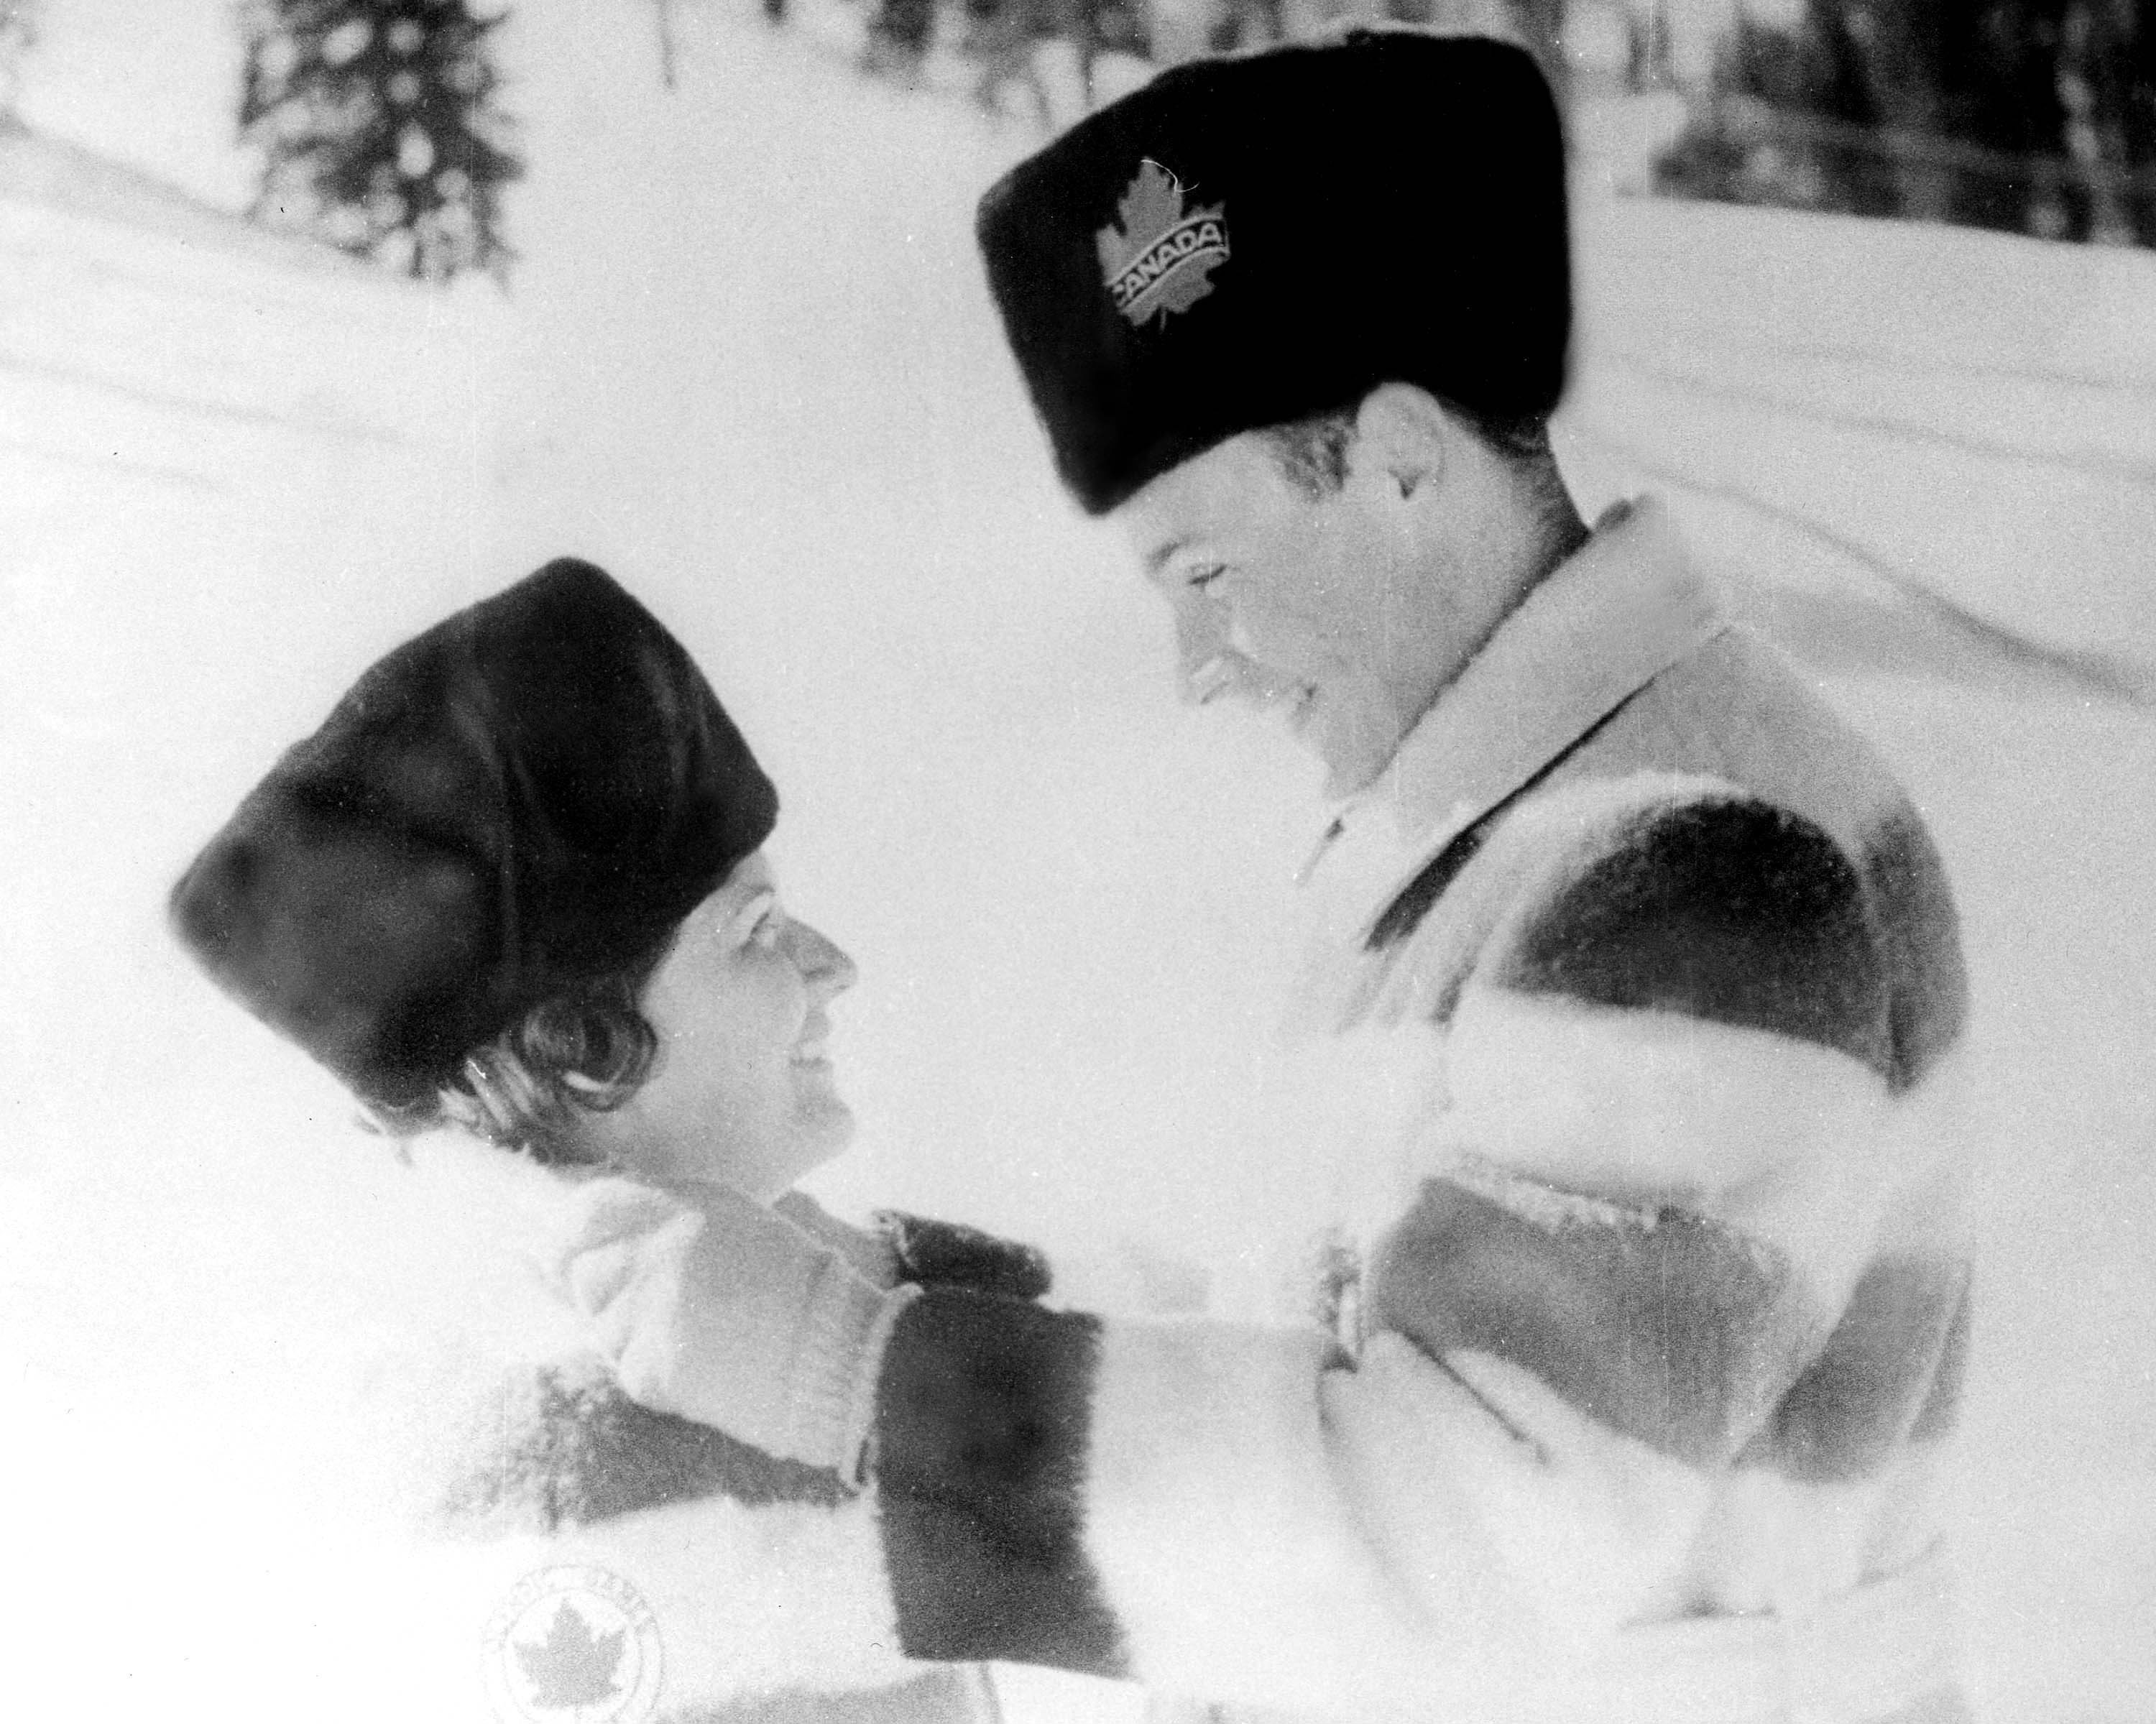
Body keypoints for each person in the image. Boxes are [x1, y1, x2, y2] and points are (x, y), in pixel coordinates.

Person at [425, 29, 1968, 1724]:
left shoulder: (1690, 871)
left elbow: (1431, 1557)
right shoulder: (1520, 829)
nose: (1196, 665)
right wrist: (908, 1286)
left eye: (1208, 569)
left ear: (1397, 455)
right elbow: (1327, 1346)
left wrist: (843, 1364)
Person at [168, 558, 1049, 1723]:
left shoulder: (523, 1389)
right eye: (758, 930)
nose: (834, 966)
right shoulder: (634, 1463)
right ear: (580, 1045)